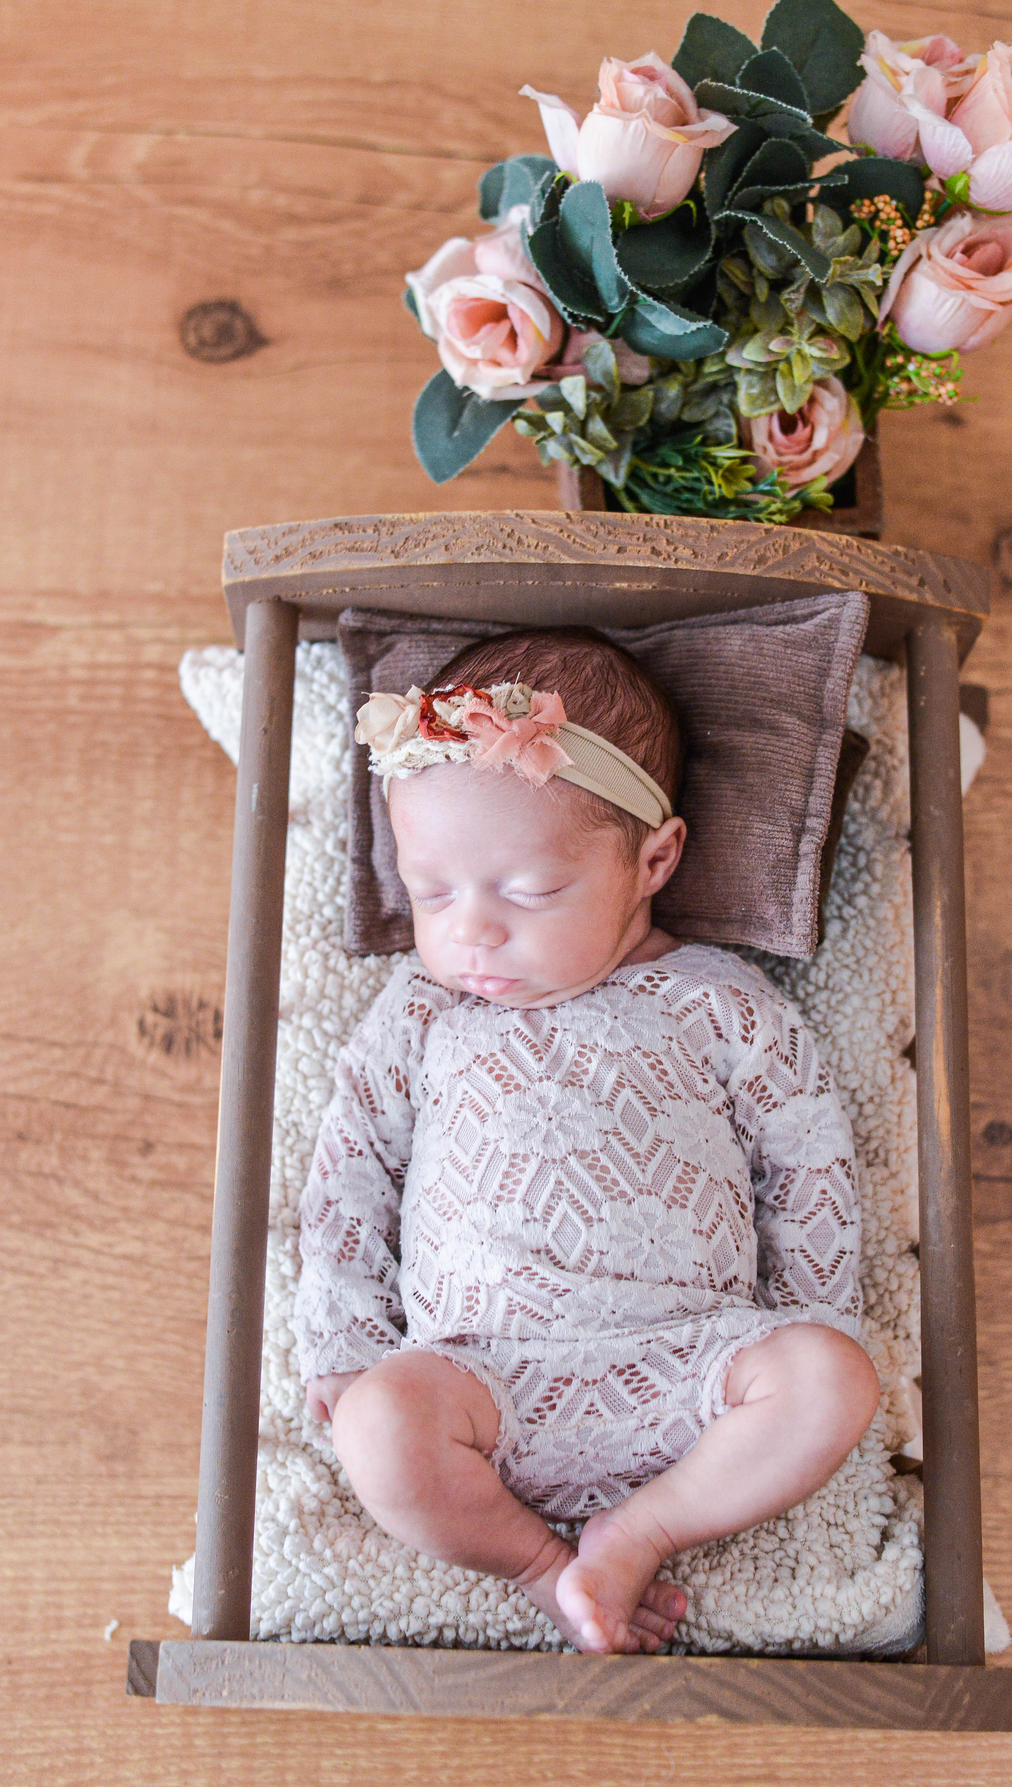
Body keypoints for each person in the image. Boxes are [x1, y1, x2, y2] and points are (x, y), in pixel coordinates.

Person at [293, 626, 879, 1656]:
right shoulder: (422, 1014)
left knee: (834, 1376)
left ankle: (640, 1530)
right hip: (482, 1380)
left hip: (693, 1364)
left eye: (528, 892)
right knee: (377, 1427)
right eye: (432, 893)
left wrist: (809, 1310)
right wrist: (347, 1345)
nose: (469, 930)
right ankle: (541, 1566)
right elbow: (351, 1172)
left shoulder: (716, 1001)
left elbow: (808, 1155)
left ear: (654, 859)